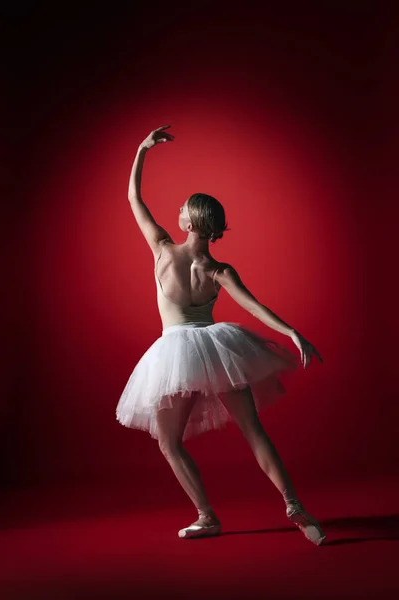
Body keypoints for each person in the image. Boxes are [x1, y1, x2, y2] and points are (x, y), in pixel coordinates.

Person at [116, 125, 326, 545]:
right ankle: (294, 506)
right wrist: (291, 332)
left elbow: (133, 199)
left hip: (175, 353)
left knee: (169, 444)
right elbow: (254, 307)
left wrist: (142, 149)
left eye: (182, 207)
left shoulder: (162, 249)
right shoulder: (219, 270)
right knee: (254, 431)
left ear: (191, 220)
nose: (176, 210)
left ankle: (206, 516)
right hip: (218, 348)